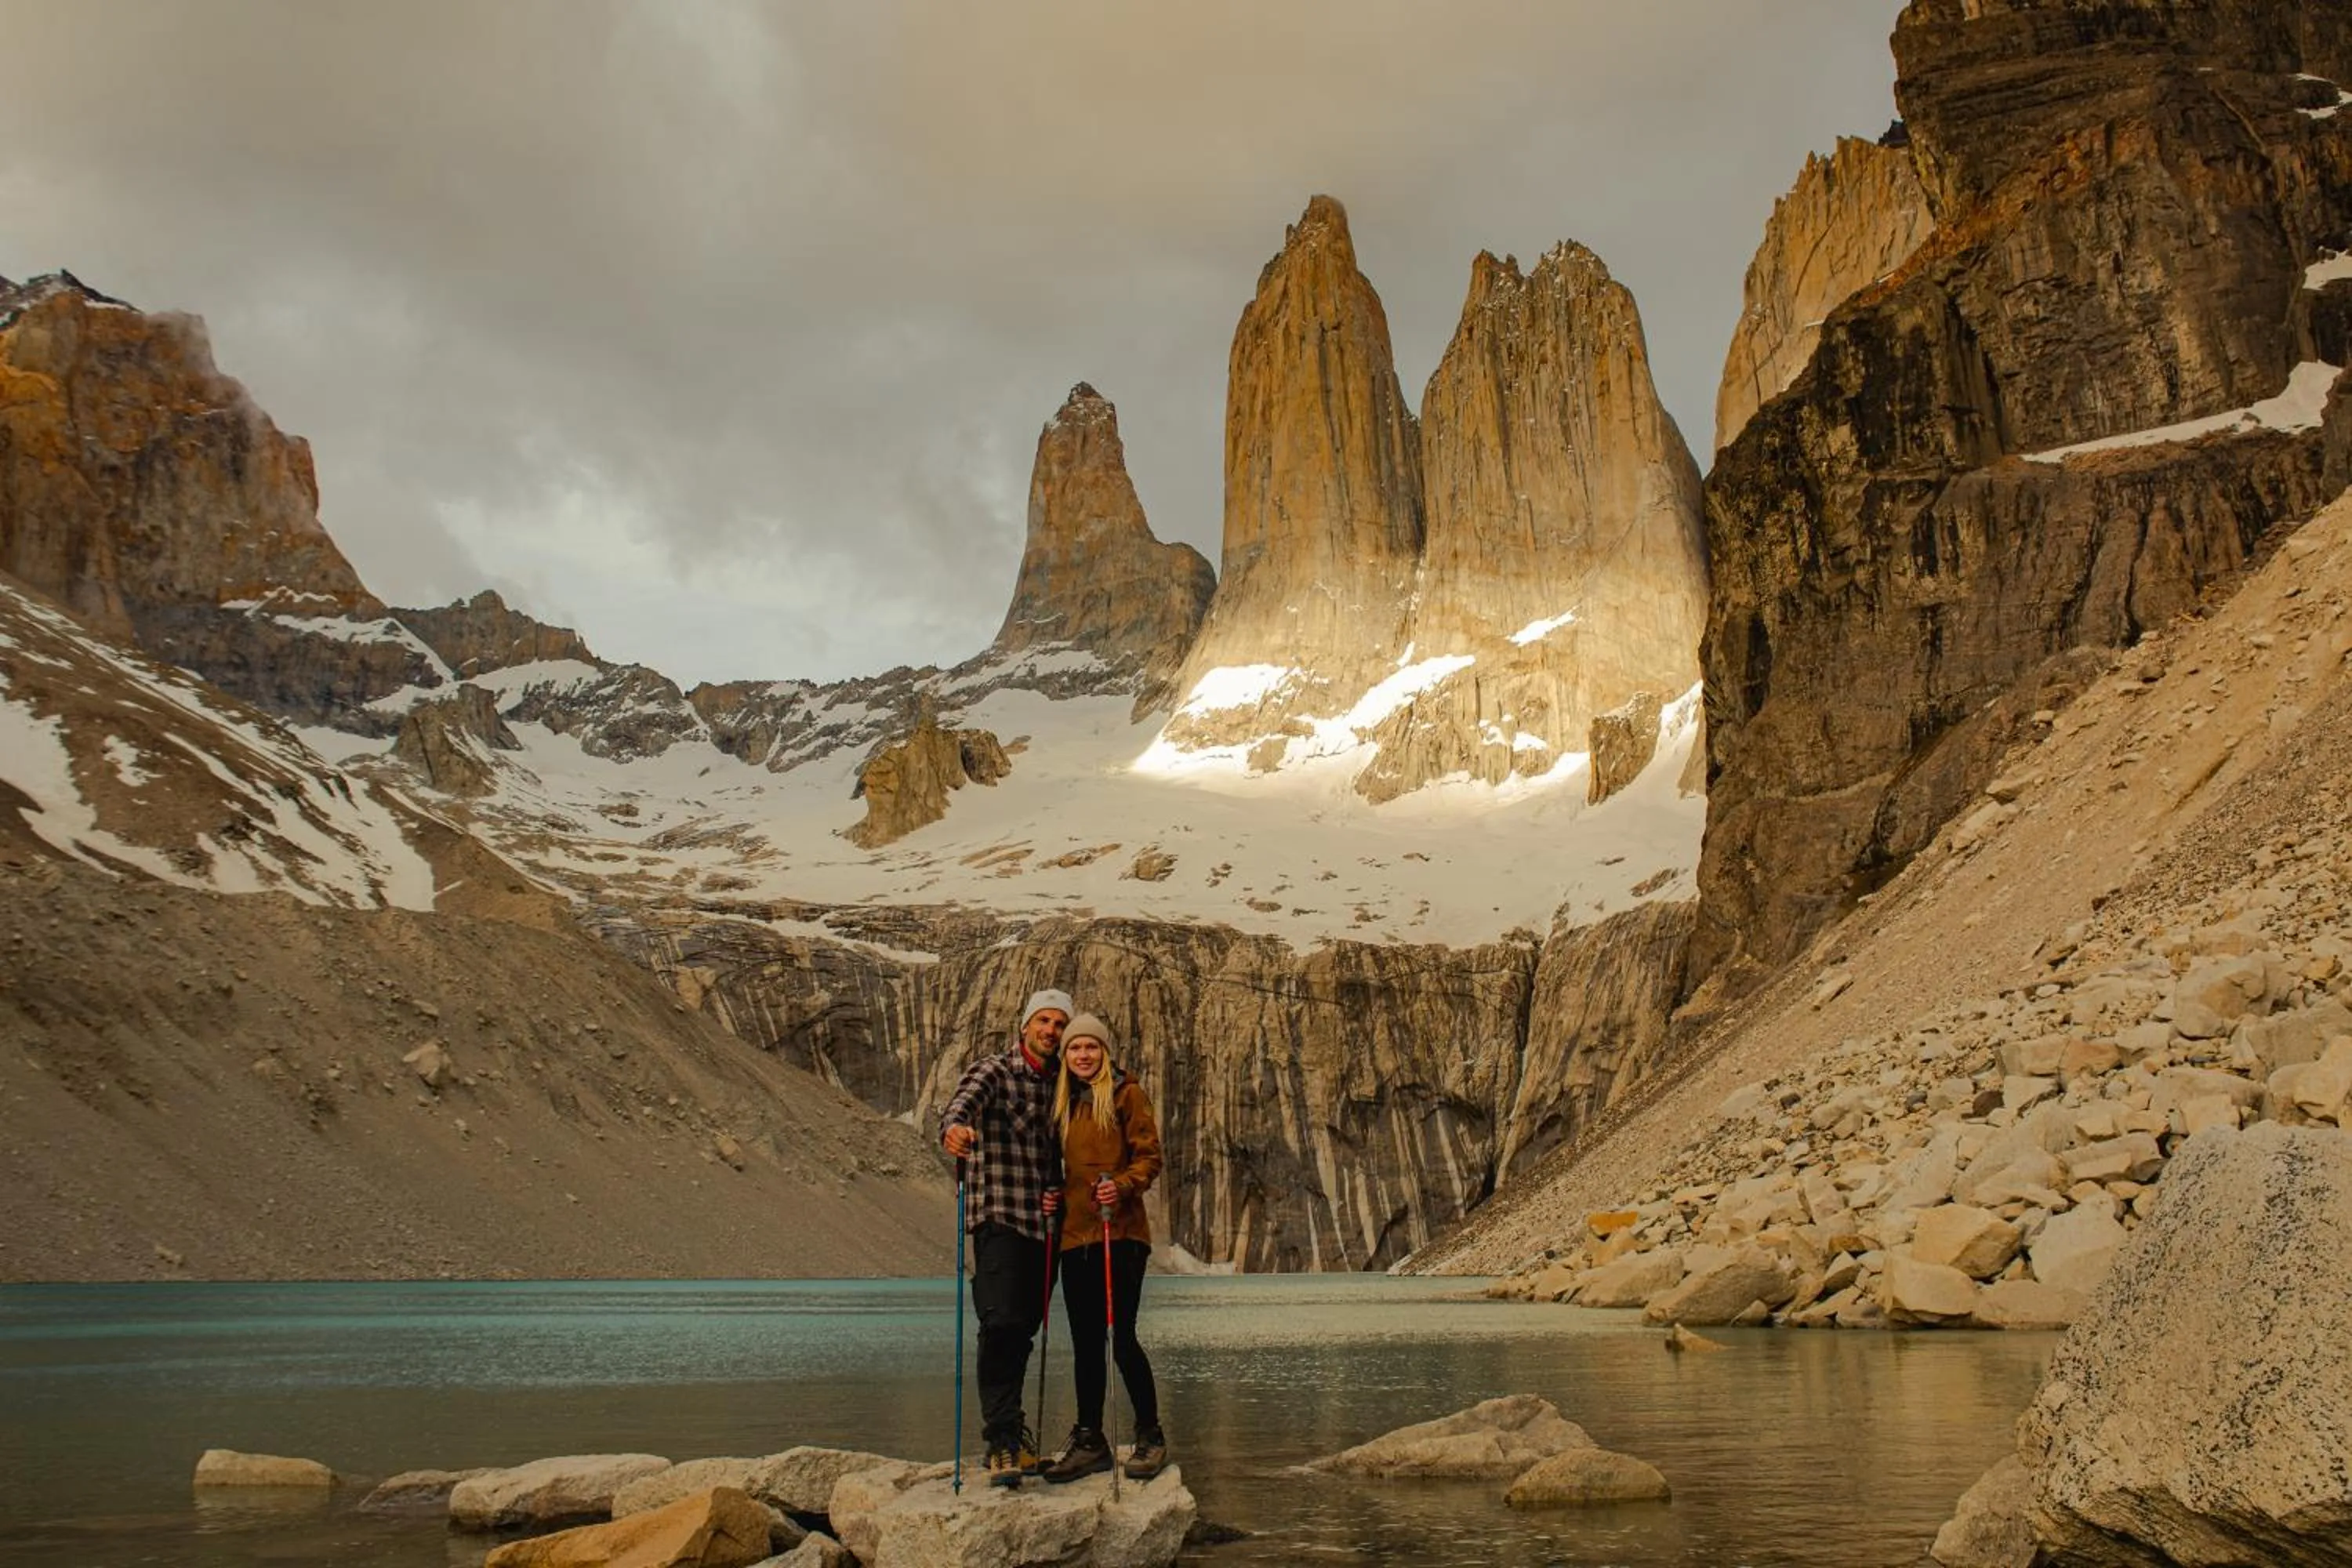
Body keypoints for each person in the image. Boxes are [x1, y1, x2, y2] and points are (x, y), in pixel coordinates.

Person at [940, 988, 1071, 1485]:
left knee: (1022, 1329)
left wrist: (1057, 1189)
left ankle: (1014, 1433)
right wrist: (955, 1131)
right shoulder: (994, 1070)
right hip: (998, 1216)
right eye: (1044, 1022)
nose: (1052, 1032)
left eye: (1060, 1024)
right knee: (999, 1323)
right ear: (1025, 1027)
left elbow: (1061, 1154)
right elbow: (957, 1110)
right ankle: (1000, 1442)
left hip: (1044, 1226)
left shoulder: (1061, 1083)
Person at [1040, 1012, 1168, 1483]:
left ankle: (1150, 1435)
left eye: (1091, 1047)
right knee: (1087, 1343)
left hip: (1121, 1234)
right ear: (1066, 1055)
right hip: (1076, 1238)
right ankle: (1091, 1439)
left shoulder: (1124, 1093)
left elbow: (1149, 1156)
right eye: (1075, 1048)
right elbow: (1060, 1168)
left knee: (1121, 1338)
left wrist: (1123, 1184)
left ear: (1104, 1051)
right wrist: (1051, 1193)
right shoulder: (1062, 1102)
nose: (1083, 1055)